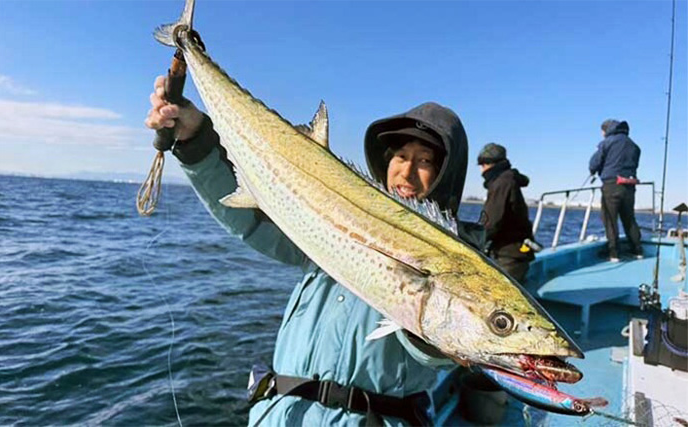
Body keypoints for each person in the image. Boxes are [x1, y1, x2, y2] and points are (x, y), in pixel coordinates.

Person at [145, 75, 471, 426]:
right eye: (401, 156)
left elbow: (439, 348)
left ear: (444, 175)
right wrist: (195, 140)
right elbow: (251, 219)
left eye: (424, 161)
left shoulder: (457, 261)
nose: (407, 171)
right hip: (279, 415)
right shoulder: (333, 221)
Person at [477, 143, 535, 283]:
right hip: (516, 253)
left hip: (509, 256)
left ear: (488, 164)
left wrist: (471, 238)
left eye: (482, 165)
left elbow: (490, 223)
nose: (481, 171)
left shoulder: (501, 183)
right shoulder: (509, 179)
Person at [589, 119, 643, 262]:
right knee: (629, 219)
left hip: (612, 185)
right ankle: (638, 251)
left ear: (606, 130)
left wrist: (594, 170)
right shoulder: (634, 146)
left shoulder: (607, 143)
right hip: (630, 187)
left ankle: (614, 254)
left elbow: (594, 163)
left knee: (610, 219)